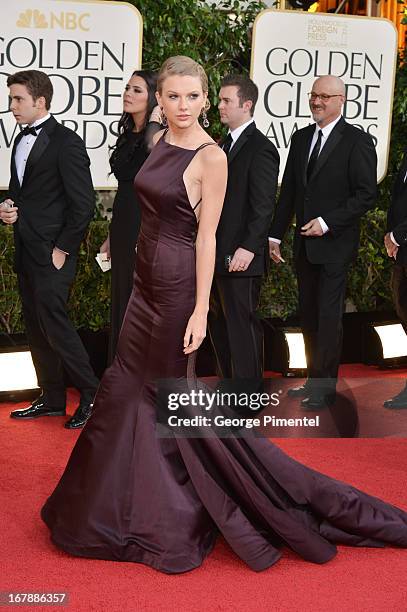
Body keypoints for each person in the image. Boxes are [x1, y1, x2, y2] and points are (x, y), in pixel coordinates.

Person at [41, 58, 407, 574]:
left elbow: (207, 237)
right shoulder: (156, 142)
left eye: (192, 97)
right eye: (172, 97)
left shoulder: (212, 157)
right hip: (143, 279)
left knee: (165, 391)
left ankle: (165, 510)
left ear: (206, 100)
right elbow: (143, 205)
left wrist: (198, 309)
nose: (182, 107)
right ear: (160, 100)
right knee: (128, 385)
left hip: (174, 286)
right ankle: (113, 500)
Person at [269, 75, 377, 411]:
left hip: (335, 246)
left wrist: (328, 223)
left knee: (329, 317)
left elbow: (366, 195)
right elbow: (289, 191)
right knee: (310, 316)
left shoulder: (357, 141)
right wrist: (274, 233)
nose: (316, 101)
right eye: (313, 95)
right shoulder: (301, 138)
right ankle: (314, 380)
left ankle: (325, 387)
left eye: (324, 96)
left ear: (341, 100)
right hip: (304, 245)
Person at [0, 70, 99, 429]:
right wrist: (7, 209)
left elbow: (83, 204)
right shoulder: (19, 137)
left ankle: (91, 395)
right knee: (36, 327)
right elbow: (22, 192)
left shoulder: (66, 142)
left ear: (40, 101)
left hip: (53, 254)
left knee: (56, 326)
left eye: (18, 99)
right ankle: (52, 397)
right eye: (11, 99)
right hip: (26, 249)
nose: (11, 106)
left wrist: (63, 250)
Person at [208, 75, 279, 388]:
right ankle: (229, 388)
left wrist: (249, 248)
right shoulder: (221, 144)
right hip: (214, 252)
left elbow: (263, 206)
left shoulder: (261, 148)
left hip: (240, 255)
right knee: (219, 325)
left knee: (242, 326)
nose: (219, 106)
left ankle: (249, 395)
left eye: (226, 101)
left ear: (246, 104)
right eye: (220, 100)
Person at [100, 70, 161, 364]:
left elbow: (153, 166)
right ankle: (118, 373)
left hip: (147, 226)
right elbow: (125, 190)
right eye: (127, 88)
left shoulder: (160, 136)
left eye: (137, 90)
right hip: (124, 224)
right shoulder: (127, 136)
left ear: (153, 98)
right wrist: (112, 235)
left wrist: (154, 120)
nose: (128, 94)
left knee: (141, 302)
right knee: (122, 299)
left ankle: (140, 377)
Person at [383, 151, 407, 409]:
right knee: (403, 312)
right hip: (402, 252)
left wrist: (397, 235)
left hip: (403, 242)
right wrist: (391, 236)